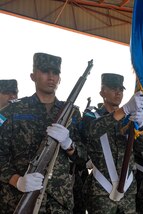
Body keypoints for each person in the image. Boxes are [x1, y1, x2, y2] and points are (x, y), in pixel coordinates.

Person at [0, 52, 83, 213]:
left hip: (59, 203)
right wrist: (16, 180)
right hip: (17, 199)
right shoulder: (12, 111)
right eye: (45, 71)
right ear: (33, 76)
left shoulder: (72, 113)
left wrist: (69, 144)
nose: (51, 77)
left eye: (55, 72)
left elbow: (83, 158)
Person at [84, 73, 143, 214]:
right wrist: (123, 110)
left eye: (121, 89)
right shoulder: (91, 115)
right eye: (113, 88)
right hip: (101, 189)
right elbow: (91, 131)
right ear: (102, 92)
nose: (118, 92)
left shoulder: (129, 119)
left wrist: (140, 127)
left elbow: (142, 148)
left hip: (128, 189)